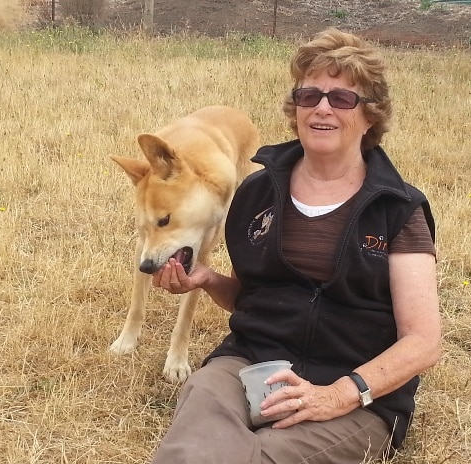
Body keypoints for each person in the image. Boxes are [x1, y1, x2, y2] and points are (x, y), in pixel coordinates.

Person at [149, 28, 441, 464]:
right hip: (249, 366)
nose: (322, 108)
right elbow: (258, 300)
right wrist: (208, 279)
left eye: (341, 99)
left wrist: (339, 395)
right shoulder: (257, 192)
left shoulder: (397, 208)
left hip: (351, 393)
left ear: (369, 116)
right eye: (309, 96)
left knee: (265, 456)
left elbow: (422, 341)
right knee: (189, 448)